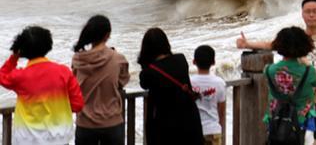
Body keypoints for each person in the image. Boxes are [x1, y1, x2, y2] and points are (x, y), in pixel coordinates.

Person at [237, 0, 316, 145]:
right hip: (303, 104)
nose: (311, 15)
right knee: (308, 141)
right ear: (302, 14)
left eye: (315, 11)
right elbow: (273, 44)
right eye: (307, 11)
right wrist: (247, 44)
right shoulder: (296, 38)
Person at [0, 25, 84, 144]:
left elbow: (2, 75)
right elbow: (77, 105)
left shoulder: (19, 76)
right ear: (48, 45)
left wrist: (14, 57)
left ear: (23, 50)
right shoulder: (63, 72)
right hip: (59, 138)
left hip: (27, 140)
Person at [138, 28, 204, 145]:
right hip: (190, 120)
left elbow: (144, 84)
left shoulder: (148, 73)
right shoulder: (181, 59)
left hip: (165, 126)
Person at [72, 15, 130, 145]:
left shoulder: (77, 60)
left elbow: (74, 84)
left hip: (85, 123)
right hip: (112, 122)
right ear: (107, 35)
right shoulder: (118, 59)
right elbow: (123, 80)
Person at [264, 27, 316, 142]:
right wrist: (306, 63)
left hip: (277, 121)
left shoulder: (269, 70)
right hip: (302, 122)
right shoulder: (309, 71)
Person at [190, 45, 226, 145]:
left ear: (194, 62)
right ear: (213, 62)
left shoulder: (190, 83)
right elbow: (221, 111)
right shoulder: (219, 83)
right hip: (213, 130)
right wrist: (220, 127)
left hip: (194, 130)